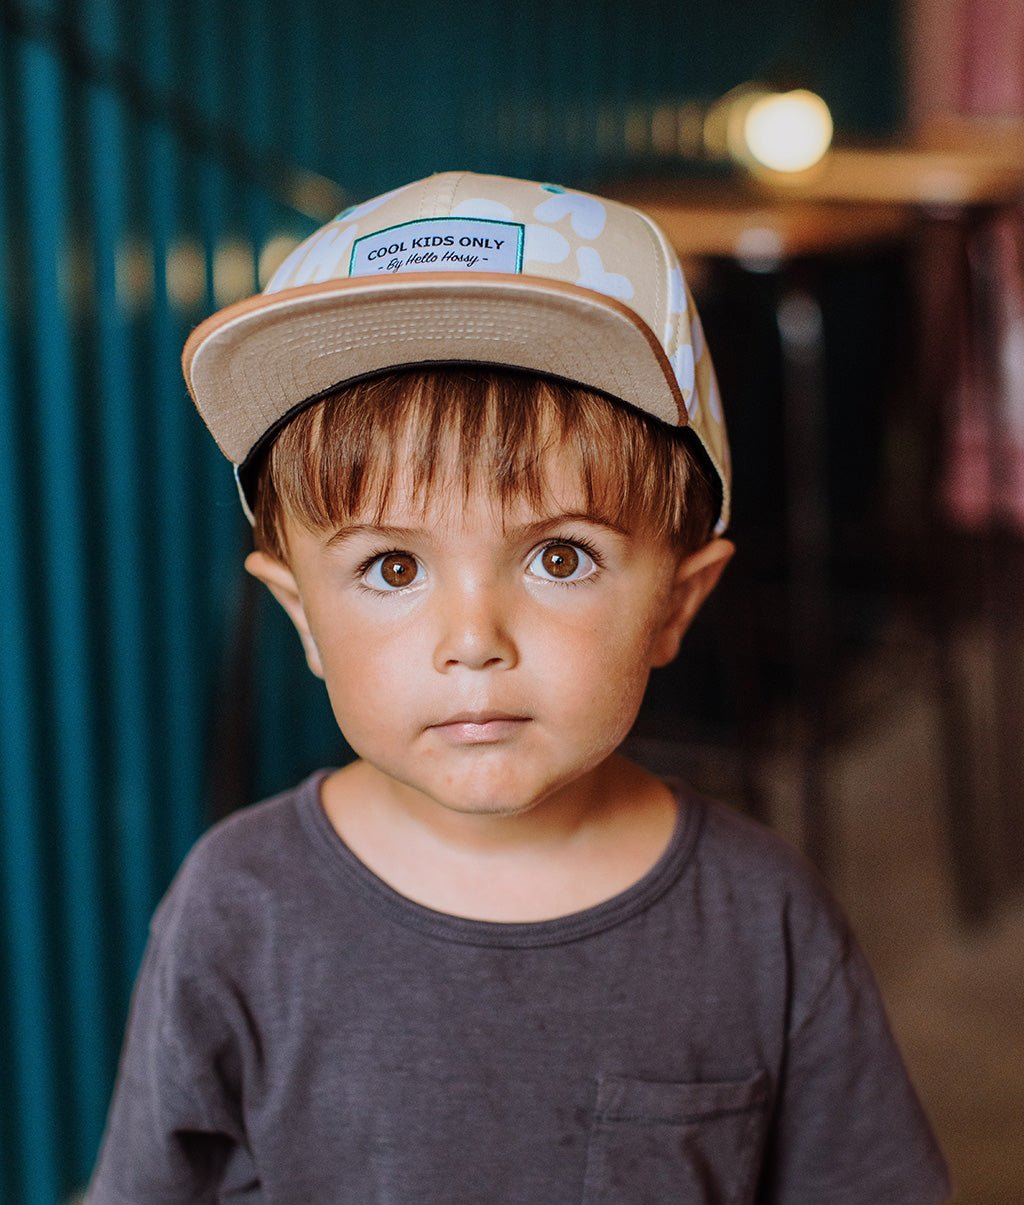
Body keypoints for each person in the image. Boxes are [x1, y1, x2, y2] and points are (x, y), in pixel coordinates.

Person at [88, 171, 950, 1202]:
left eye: (559, 557)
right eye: (392, 566)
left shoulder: (763, 920)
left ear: (676, 602)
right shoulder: (234, 910)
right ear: (302, 615)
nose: (472, 640)